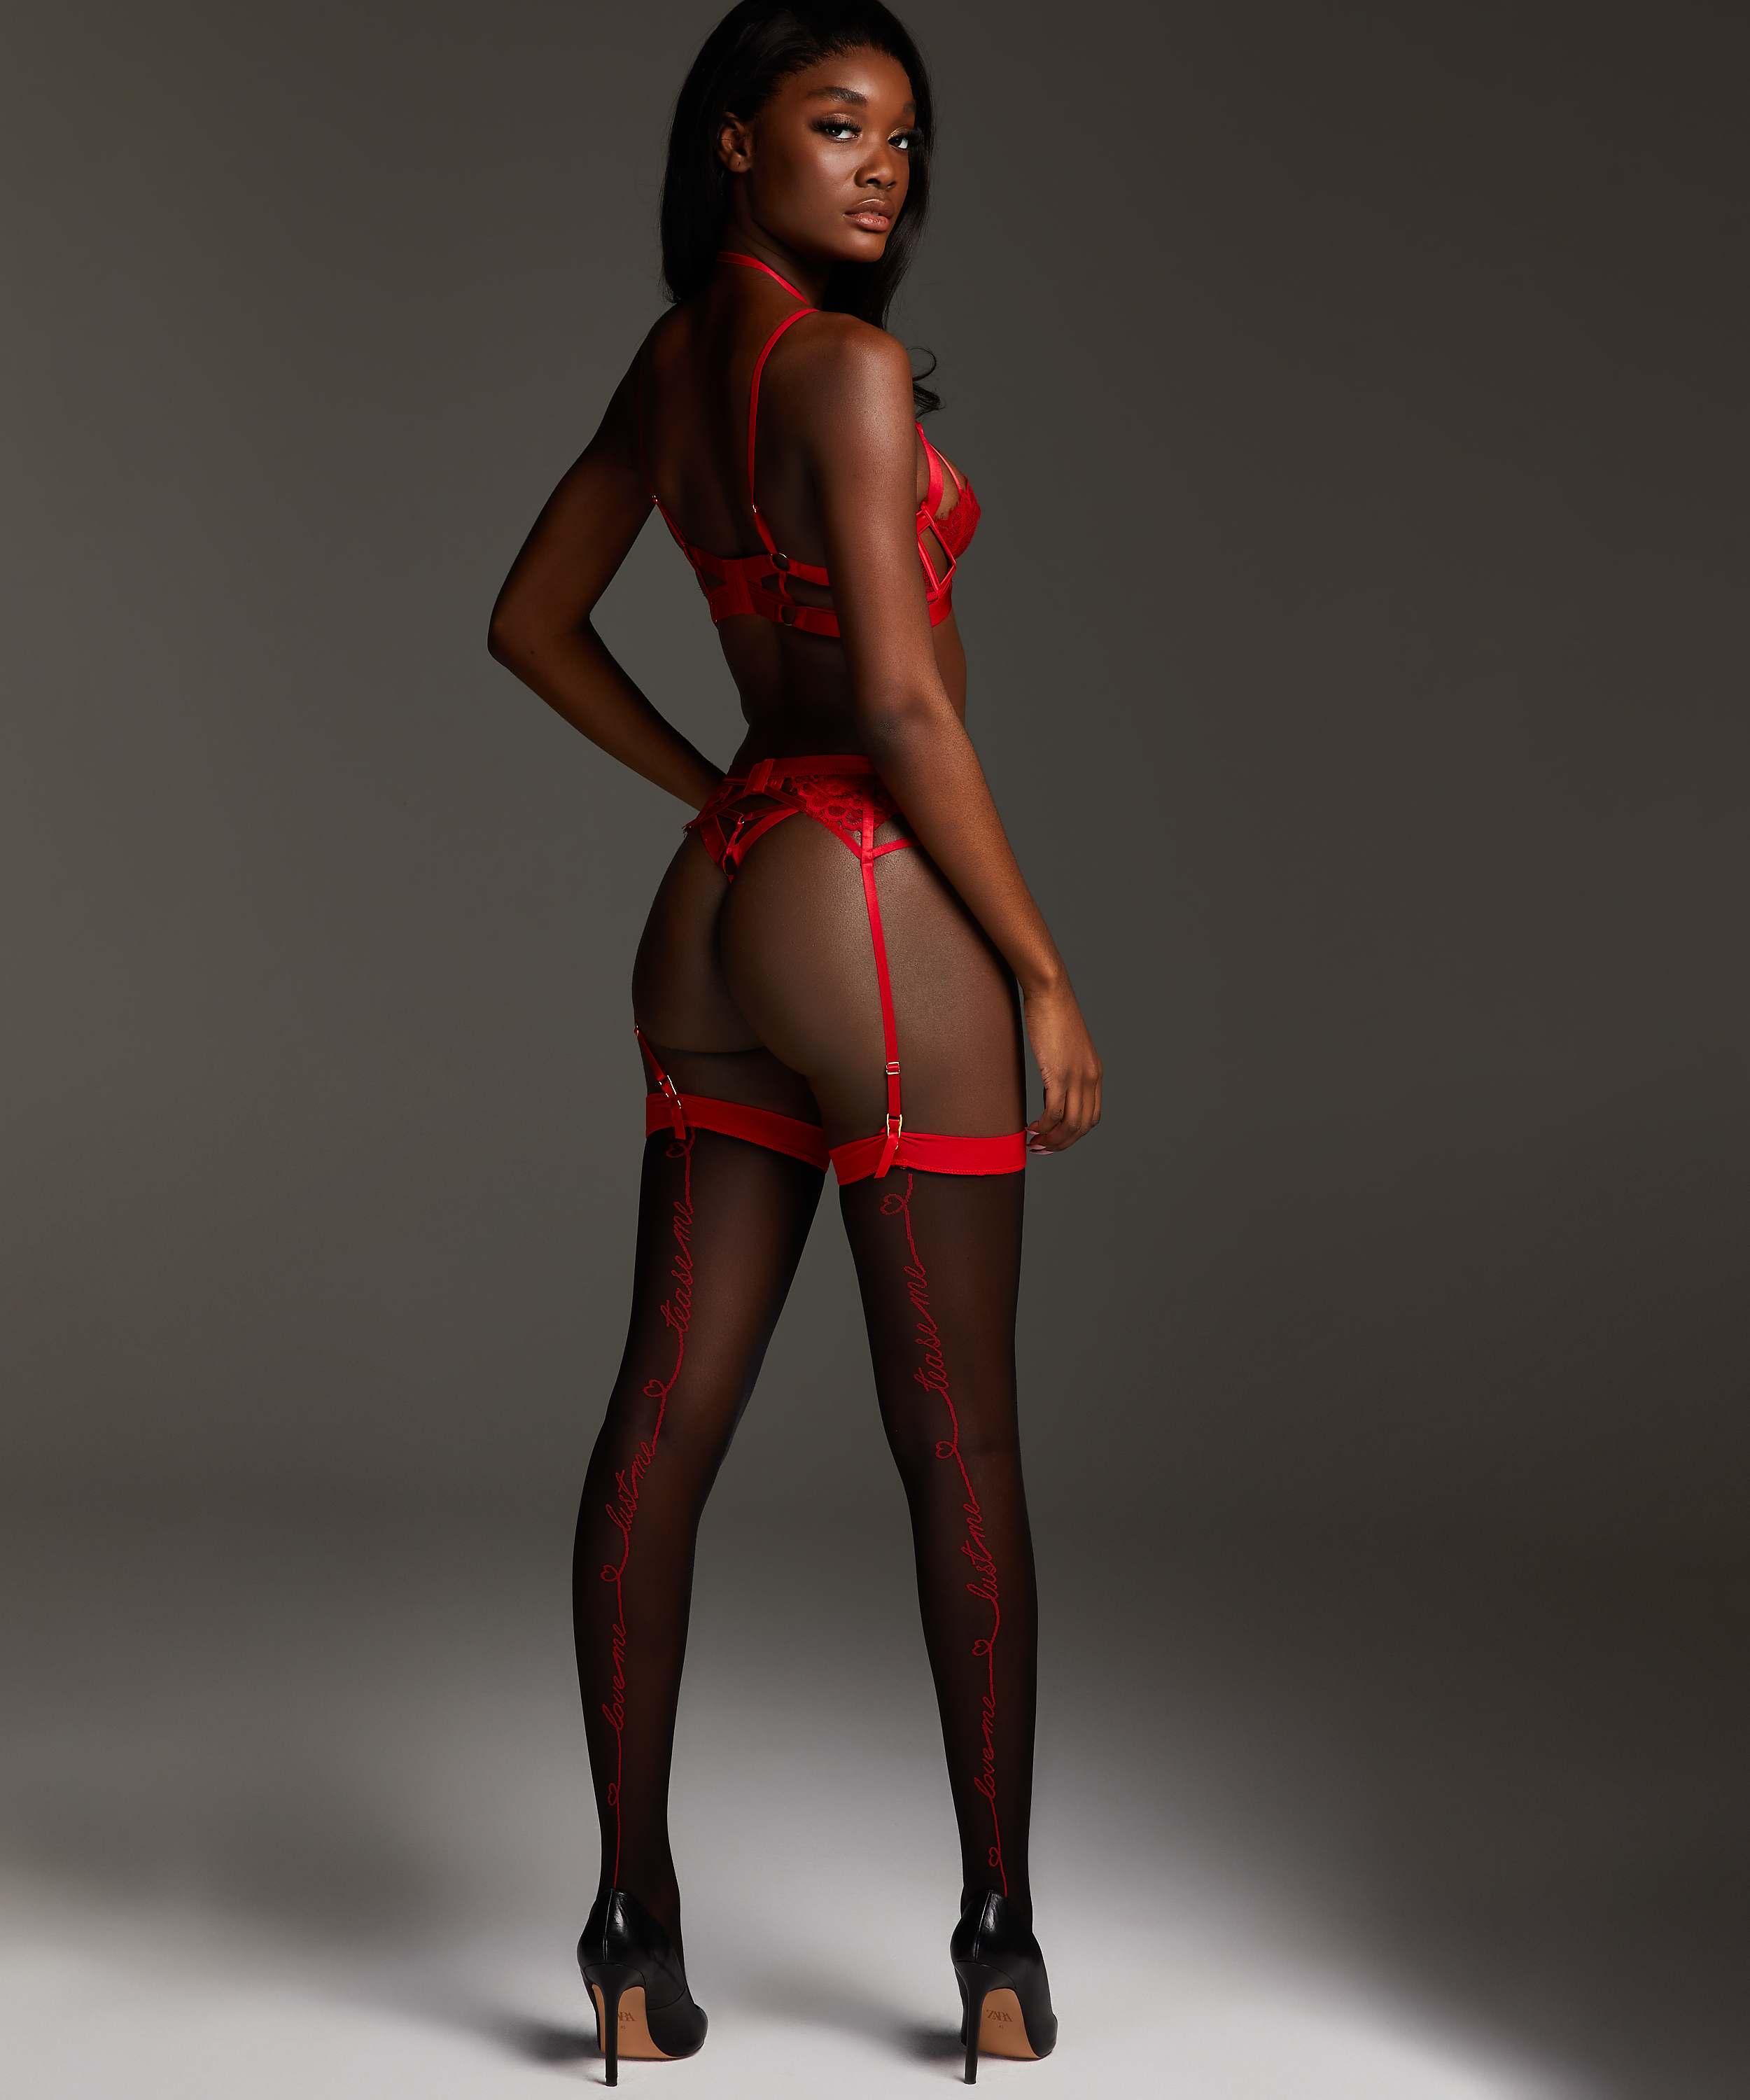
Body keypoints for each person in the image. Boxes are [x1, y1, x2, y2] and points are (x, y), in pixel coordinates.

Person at [487, 1, 1100, 2082]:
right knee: (960, 1438)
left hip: (726, 893)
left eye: (905, 141)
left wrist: (710, 789)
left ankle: (627, 1932)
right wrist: (1038, 970)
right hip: (866, 895)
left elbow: (528, 618)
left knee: (661, 1419)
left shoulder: (675, 364)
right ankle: (999, 1940)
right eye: (839, 126)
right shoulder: (836, 368)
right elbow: (905, 708)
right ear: (734, 138)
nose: (882, 171)